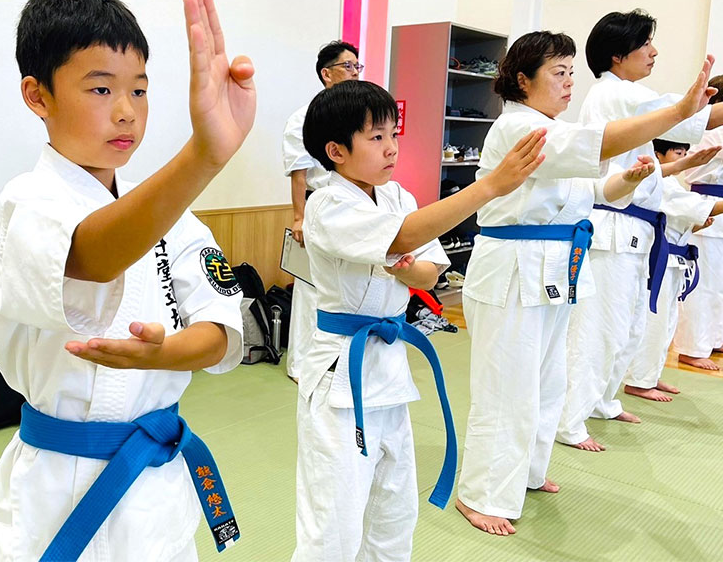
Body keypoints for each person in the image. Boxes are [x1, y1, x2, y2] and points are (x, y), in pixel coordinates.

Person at [0, 0, 254, 561]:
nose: (127, 111)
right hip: (55, 486)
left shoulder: (174, 217)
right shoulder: (27, 202)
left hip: (155, 486)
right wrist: (202, 156)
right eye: (101, 88)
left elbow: (220, 330)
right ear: (38, 95)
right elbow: (93, 258)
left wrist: (166, 354)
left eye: (141, 90)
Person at [452, 30, 711, 537]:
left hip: (556, 265)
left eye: (572, 72)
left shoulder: (553, 131)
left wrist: (630, 181)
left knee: (547, 381)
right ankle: (481, 493)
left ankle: (525, 472)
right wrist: (679, 111)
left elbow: (599, 190)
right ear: (522, 80)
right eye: (558, 72)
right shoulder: (518, 127)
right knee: (508, 387)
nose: (569, 83)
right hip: (514, 266)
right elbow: (601, 143)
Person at [293, 79, 546, 561]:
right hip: (340, 375)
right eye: (376, 138)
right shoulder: (326, 203)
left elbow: (429, 273)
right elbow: (405, 239)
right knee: (334, 514)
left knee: (394, 507)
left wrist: (405, 262)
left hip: (390, 371)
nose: (392, 148)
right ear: (336, 151)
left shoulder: (398, 198)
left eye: (394, 134)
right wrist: (488, 186)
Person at [557, 9, 723, 453]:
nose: (654, 51)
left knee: (627, 326)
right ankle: (570, 421)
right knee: (597, 329)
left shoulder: (625, 95)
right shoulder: (613, 94)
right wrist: (695, 108)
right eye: (646, 44)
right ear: (617, 54)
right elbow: (687, 117)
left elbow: (660, 155)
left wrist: (683, 163)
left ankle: (604, 401)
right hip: (613, 229)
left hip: (638, 232)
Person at [283, 40, 361, 382]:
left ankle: (338, 356)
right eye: (348, 66)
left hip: (354, 203)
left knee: (347, 283)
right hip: (318, 202)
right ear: (326, 74)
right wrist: (299, 217)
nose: (354, 73)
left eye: (358, 66)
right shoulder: (304, 117)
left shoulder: (359, 113)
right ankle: (300, 364)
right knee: (310, 286)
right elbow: (299, 172)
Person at [623, 139, 722, 401]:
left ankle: (651, 375)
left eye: (686, 152)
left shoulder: (671, 183)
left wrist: (697, 226)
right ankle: (639, 380)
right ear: (657, 155)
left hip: (674, 259)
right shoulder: (659, 183)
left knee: (667, 323)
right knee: (654, 323)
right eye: (678, 153)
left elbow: (681, 219)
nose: (685, 157)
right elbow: (695, 207)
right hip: (660, 262)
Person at [674, 75, 723, 371]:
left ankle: (715, 337)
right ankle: (693, 347)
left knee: (721, 284)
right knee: (704, 284)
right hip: (707, 208)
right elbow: (691, 169)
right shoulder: (707, 134)